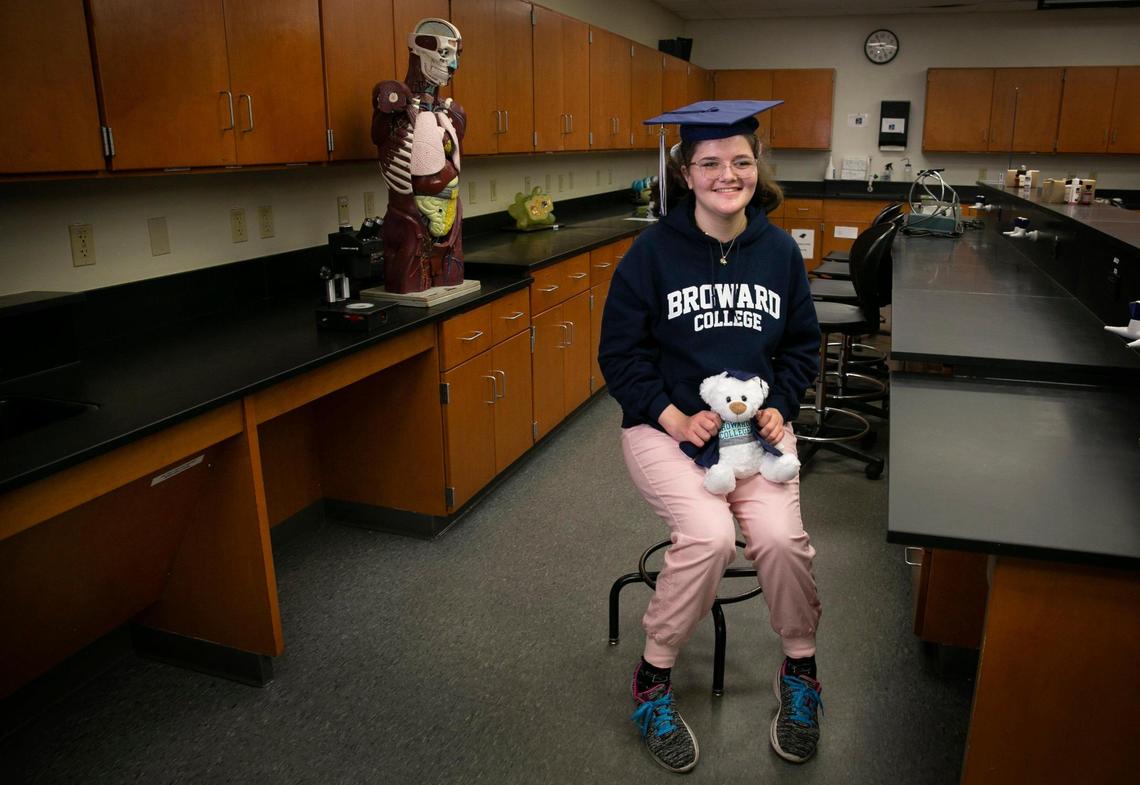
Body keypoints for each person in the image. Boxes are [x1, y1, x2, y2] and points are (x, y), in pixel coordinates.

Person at [597, 100, 823, 773]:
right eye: (711, 163)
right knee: (711, 536)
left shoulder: (779, 251)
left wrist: (782, 403)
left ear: (757, 168)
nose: (729, 174)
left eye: (741, 161)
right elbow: (620, 355)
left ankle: (802, 674)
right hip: (663, 431)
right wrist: (669, 414)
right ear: (687, 173)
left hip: (756, 436)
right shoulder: (651, 253)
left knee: (782, 540)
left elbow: (803, 347)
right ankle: (653, 678)